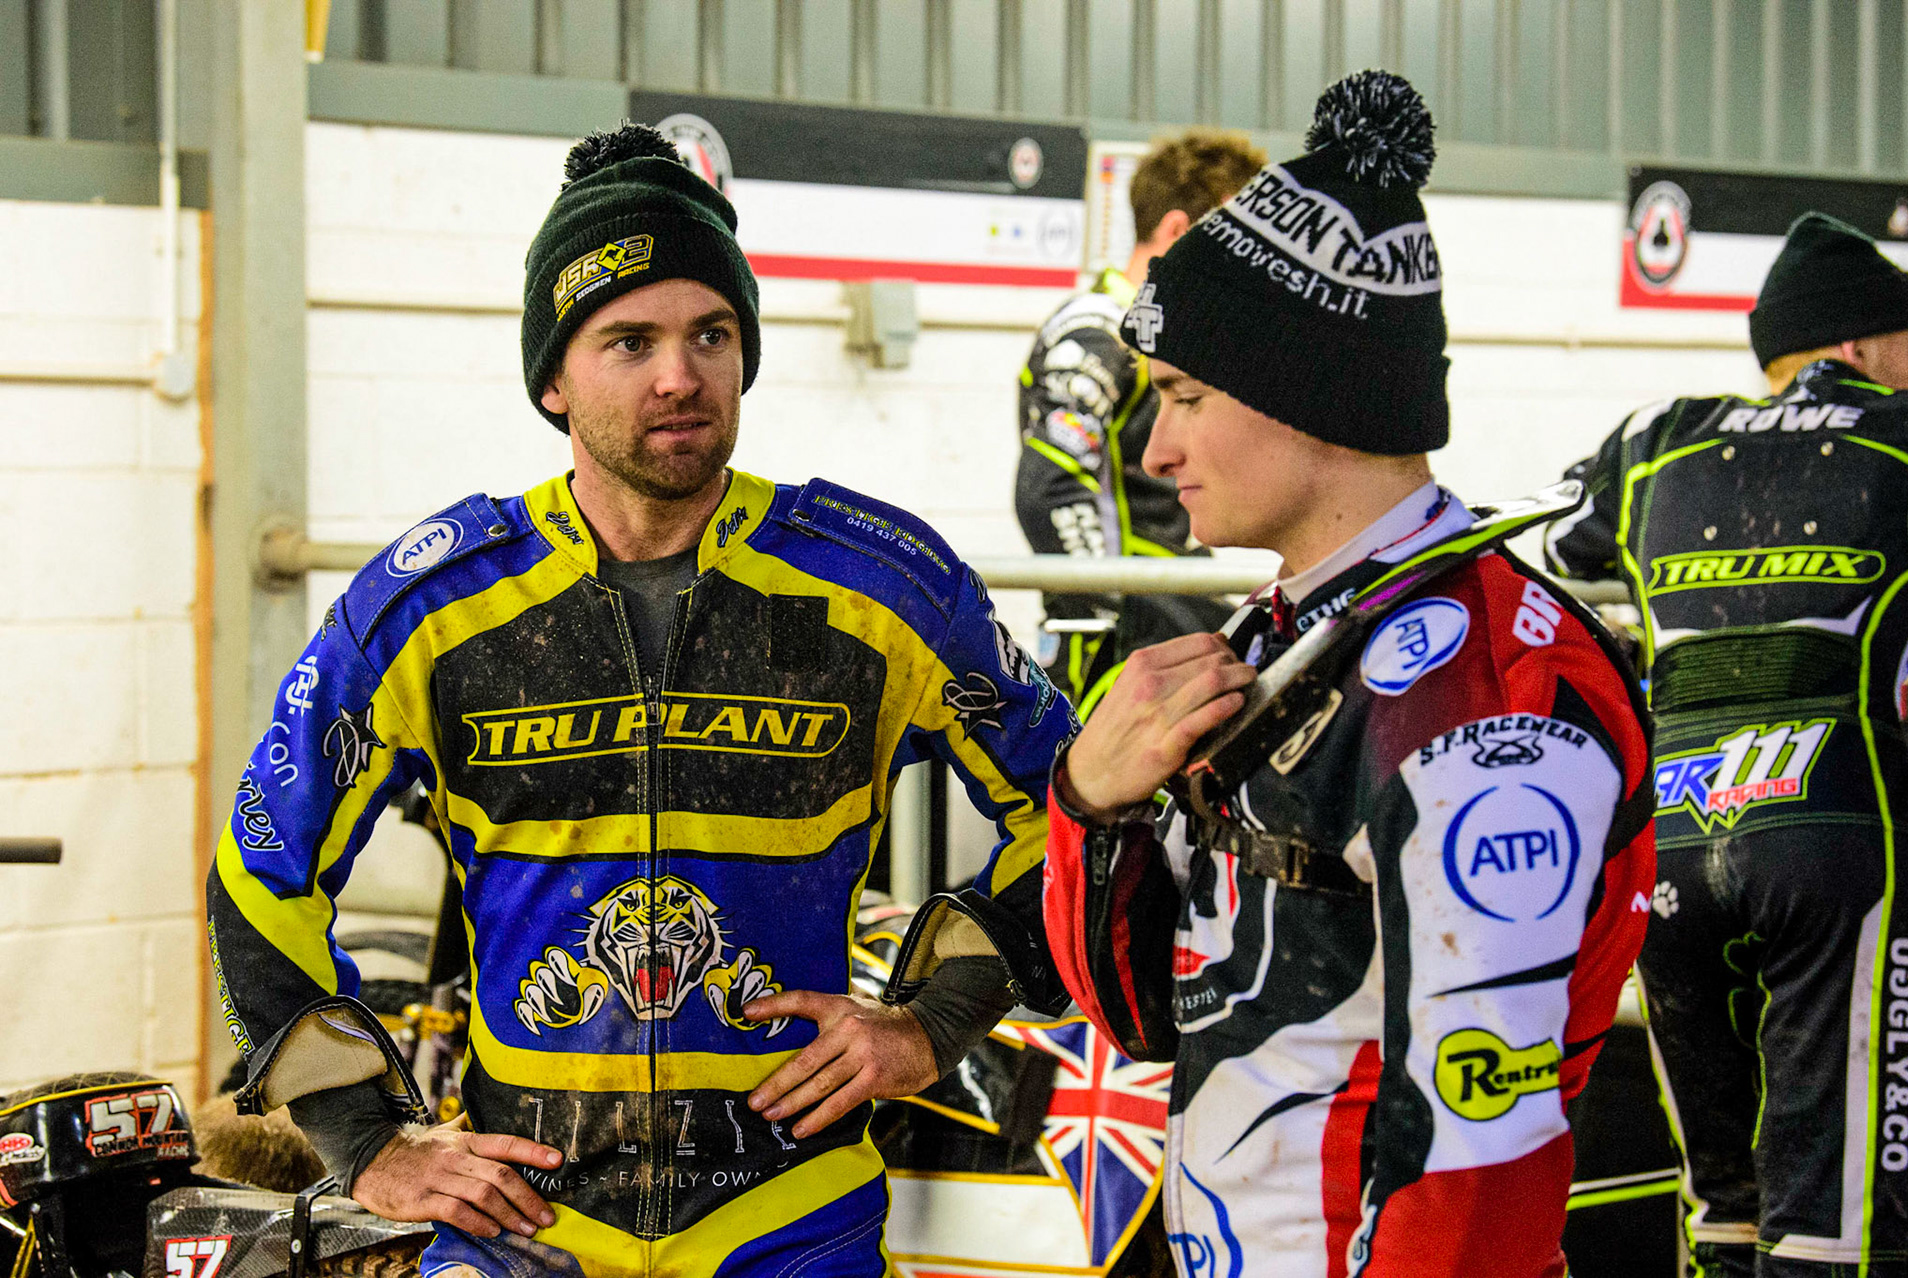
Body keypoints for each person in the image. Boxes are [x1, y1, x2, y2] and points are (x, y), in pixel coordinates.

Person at [205, 123, 1075, 1277]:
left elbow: (1072, 805)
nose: (680, 375)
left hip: (793, 1218)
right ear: (554, 381)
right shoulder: (431, 606)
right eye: (630, 341)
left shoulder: (881, 585)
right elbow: (262, 867)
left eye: (711, 333)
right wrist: (365, 1139)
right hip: (521, 1225)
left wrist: (929, 1023)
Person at [1041, 72, 1656, 1276]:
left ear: (1312, 401)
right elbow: (1132, 1015)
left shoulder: (1486, 691)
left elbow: (1483, 1151)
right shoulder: (1283, 636)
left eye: (1184, 397)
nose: (1157, 449)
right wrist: (1090, 800)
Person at [1546, 211, 1908, 1277]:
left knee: (1723, 1206)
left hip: (1671, 846)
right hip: (1834, 838)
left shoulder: (1659, 438)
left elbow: (1556, 543)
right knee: (1839, 1220)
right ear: (1855, 348)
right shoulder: (1907, 431)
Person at [1015, 128, 1266, 715]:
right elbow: (1048, 485)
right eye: (1237, 243)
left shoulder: (1167, 335)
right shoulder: (1098, 329)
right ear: (1177, 231)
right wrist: (1099, 618)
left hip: (1174, 604)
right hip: (1123, 637)